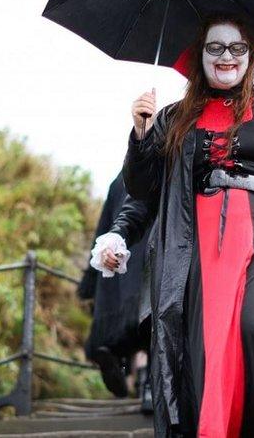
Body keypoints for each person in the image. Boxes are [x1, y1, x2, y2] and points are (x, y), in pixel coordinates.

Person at [94, 15, 254, 437]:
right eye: (215, 47)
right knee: (210, 351)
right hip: (199, 241)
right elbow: (143, 188)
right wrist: (141, 136)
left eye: (236, 47)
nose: (226, 56)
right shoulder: (172, 118)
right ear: (198, 56)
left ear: (252, 55)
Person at [78, 171, 153, 400]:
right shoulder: (162, 168)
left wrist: (88, 284)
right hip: (147, 263)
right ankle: (148, 385)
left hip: (117, 267)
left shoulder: (118, 183)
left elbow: (102, 230)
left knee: (121, 332)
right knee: (152, 331)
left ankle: (114, 358)